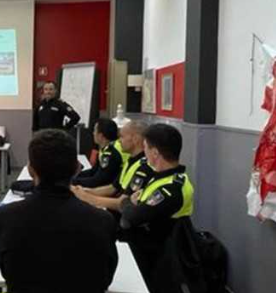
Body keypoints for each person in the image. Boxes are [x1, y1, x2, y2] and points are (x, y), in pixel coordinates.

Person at [0, 129, 118, 293]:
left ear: (30, 170)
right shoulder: (102, 220)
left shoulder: (7, 216)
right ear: (76, 169)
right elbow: (106, 279)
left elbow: (6, 273)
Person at [117, 123, 194, 283]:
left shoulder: (171, 188)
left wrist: (126, 202)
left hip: (159, 260)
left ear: (155, 153)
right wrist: (130, 204)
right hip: (145, 248)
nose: (144, 152)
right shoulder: (158, 176)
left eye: (145, 147)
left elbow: (131, 217)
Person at [70, 121, 152, 214]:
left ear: (135, 139)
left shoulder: (144, 167)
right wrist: (85, 190)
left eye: (122, 136)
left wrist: (86, 197)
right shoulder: (131, 159)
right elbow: (113, 188)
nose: (119, 140)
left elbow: (122, 203)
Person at [73, 118, 125, 188]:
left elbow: (98, 180)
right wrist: (75, 177)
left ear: (100, 135)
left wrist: (74, 181)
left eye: (94, 130)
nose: (93, 133)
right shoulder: (105, 149)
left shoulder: (110, 154)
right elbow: (93, 171)